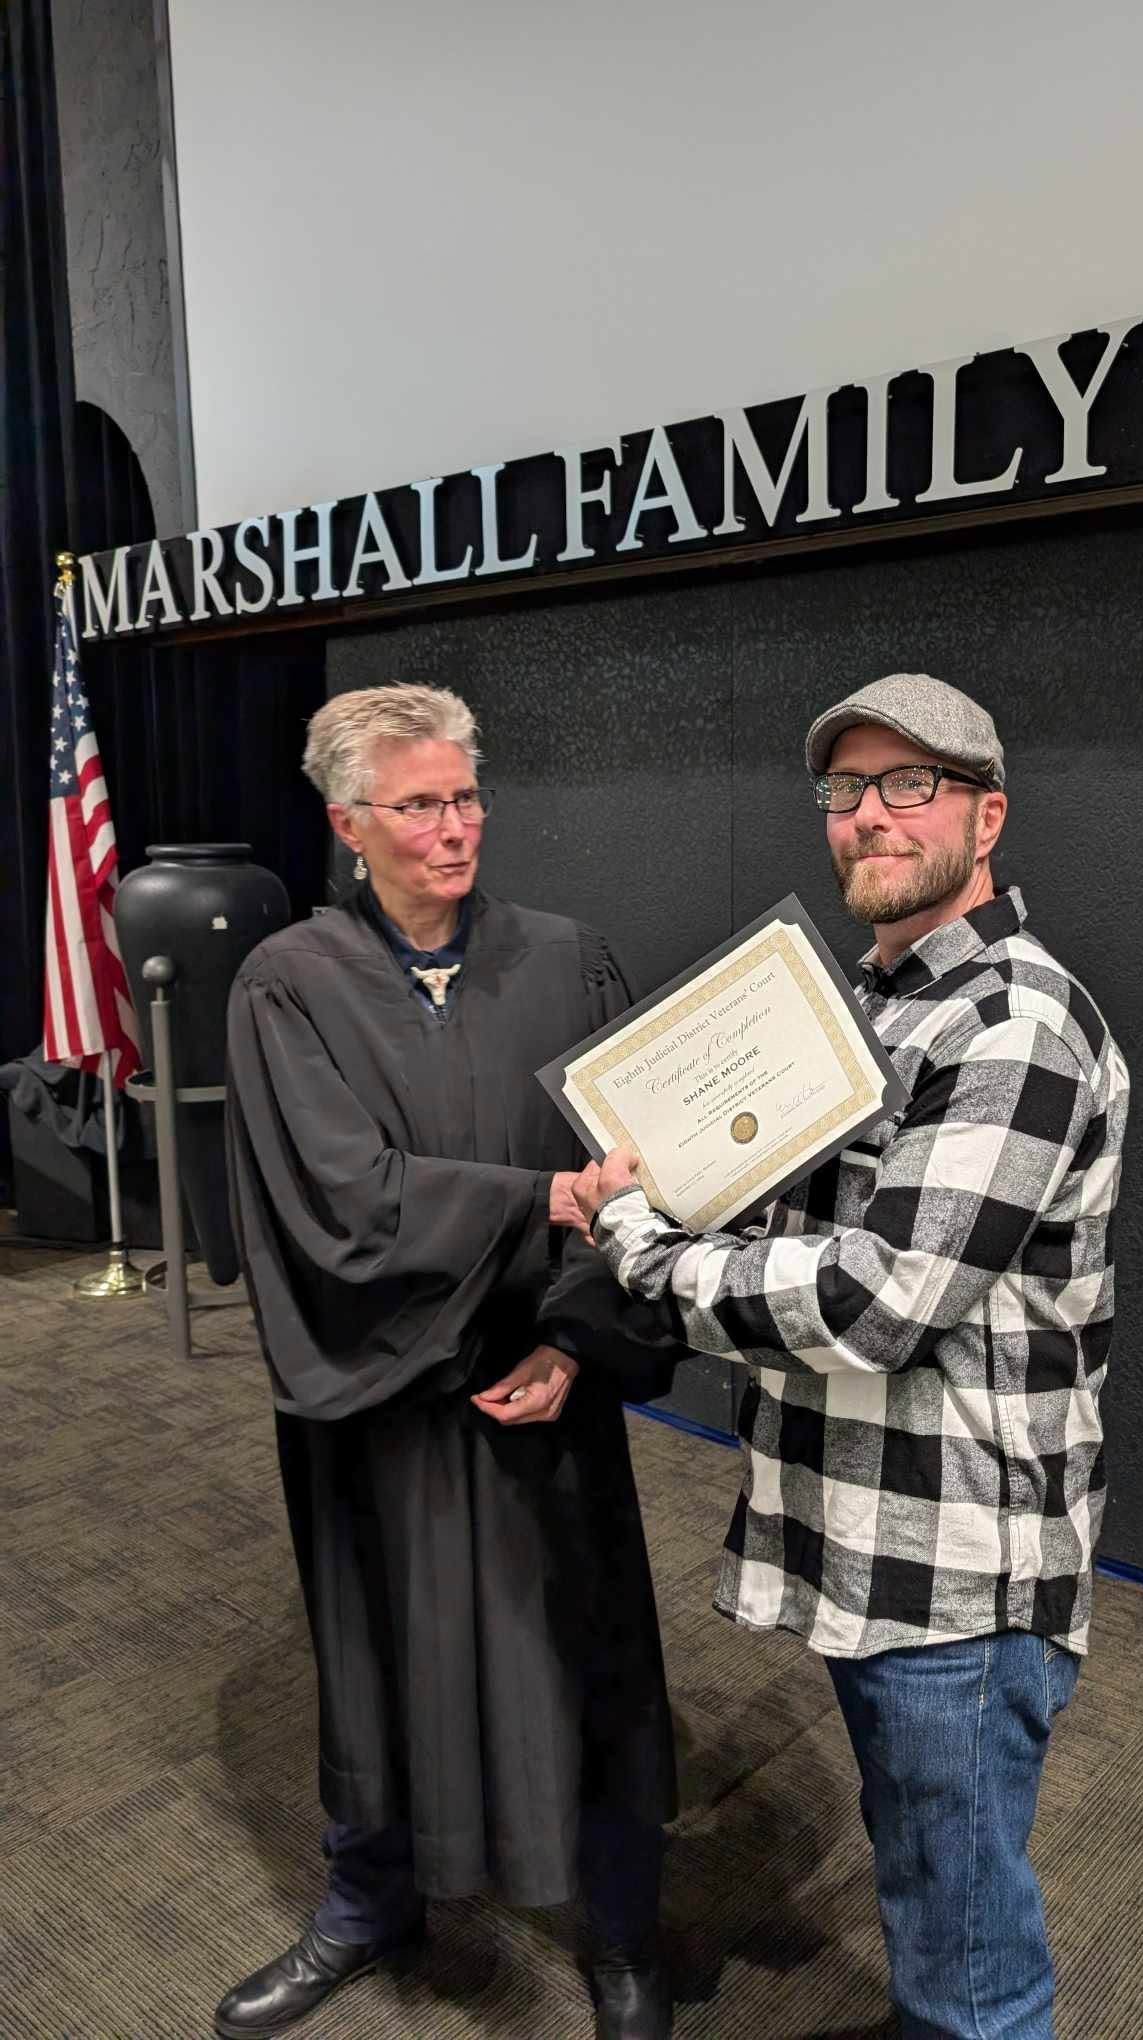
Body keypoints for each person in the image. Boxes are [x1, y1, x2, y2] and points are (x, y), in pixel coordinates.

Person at [572, 673, 1129, 2040]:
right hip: (872, 1546)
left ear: (986, 816)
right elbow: (797, 1223)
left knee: (975, 1961)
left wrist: (642, 1239)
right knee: (933, 1892)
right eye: (845, 791)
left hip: (957, 1582)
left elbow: (880, 1302)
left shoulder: (1016, 1025)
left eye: (908, 787)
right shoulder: (872, 1010)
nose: (868, 817)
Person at [215, 683, 678, 2040]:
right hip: (386, 1406)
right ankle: (369, 1904)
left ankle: (625, 1932)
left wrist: (573, 1342)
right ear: (351, 823)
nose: (456, 827)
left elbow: (645, 1179)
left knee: (583, 1655)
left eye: (468, 796)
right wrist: (542, 1204)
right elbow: (342, 1201)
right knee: (375, 1653)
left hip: (546, 1397)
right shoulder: (287, 987)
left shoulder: (568, 959)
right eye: (420, 804)